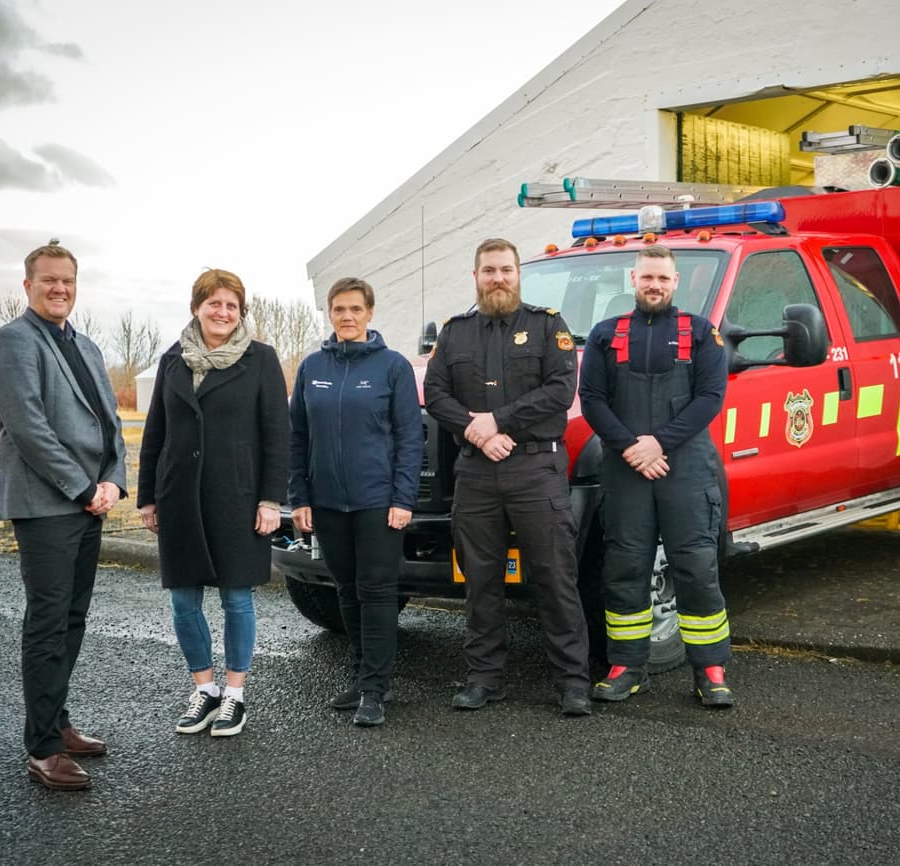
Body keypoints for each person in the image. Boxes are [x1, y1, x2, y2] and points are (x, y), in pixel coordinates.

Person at [424, 238, 592, 717]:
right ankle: (484, 677)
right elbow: (436, 393)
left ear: (519, 275)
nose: (498, 278)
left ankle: (572, 681)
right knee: (480, 581)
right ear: (474, 277)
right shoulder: (455, 333)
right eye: (488, 270)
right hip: (476, 473)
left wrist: (496, 422)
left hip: (536, 468)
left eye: (505, 270)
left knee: (554, 576)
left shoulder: (546, 326)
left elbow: (561, 389)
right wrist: (476, 433)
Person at [0, 241, 127, 791]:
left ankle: (57, 721)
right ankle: (42, 748)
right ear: (28, 286)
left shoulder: (86, 346)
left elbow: (110, 421)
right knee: (46, 623)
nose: (59, 288)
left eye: (67, 280)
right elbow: (29, 430)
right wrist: (82, 488)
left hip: (90, 501)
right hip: (47, 506)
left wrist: (114, 479)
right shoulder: (12, 342)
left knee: (72, 619)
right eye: (48, 280)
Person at [578, 244, 734, 708]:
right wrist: (631, 447)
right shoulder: (605, 335)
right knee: (624, 568)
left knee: (697, 567)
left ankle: (710, 669)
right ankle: (627, 666)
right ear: (633, 279)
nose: (655, 286)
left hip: (684, 468)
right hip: (627, 469)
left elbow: (710, 398)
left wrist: (657, 443)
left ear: (675, 282)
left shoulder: (703, 333)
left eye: (663, 279)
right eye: (647, 278)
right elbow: (592, 401)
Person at [137, 269, 289, 738]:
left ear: (241, 312)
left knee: (236, 598)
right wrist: (147, 497)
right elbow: (155, 431)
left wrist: (271, 500)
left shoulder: (261, 359)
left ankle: (235, 696)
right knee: (183, 600)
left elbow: (278, 435)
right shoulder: (172, 360)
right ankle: (204, 690)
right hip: (179, 494)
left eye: (231, 305)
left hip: (238, 496)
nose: (222, 312)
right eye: (214, 303)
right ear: (196, 307)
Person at [288, 277, 423, 727]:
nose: (347, 317)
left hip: (378, 503)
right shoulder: (312, 368)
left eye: (355, 309)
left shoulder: (393, 367)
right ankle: (359, 675)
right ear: (329, 314)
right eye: (339, 309)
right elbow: (297, 438)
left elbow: (409, 439)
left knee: (377, 591)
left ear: (369, 313)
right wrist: (299, 497)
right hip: (327, 503)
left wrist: (403, 497)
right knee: (346, 589)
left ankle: (375, 689)